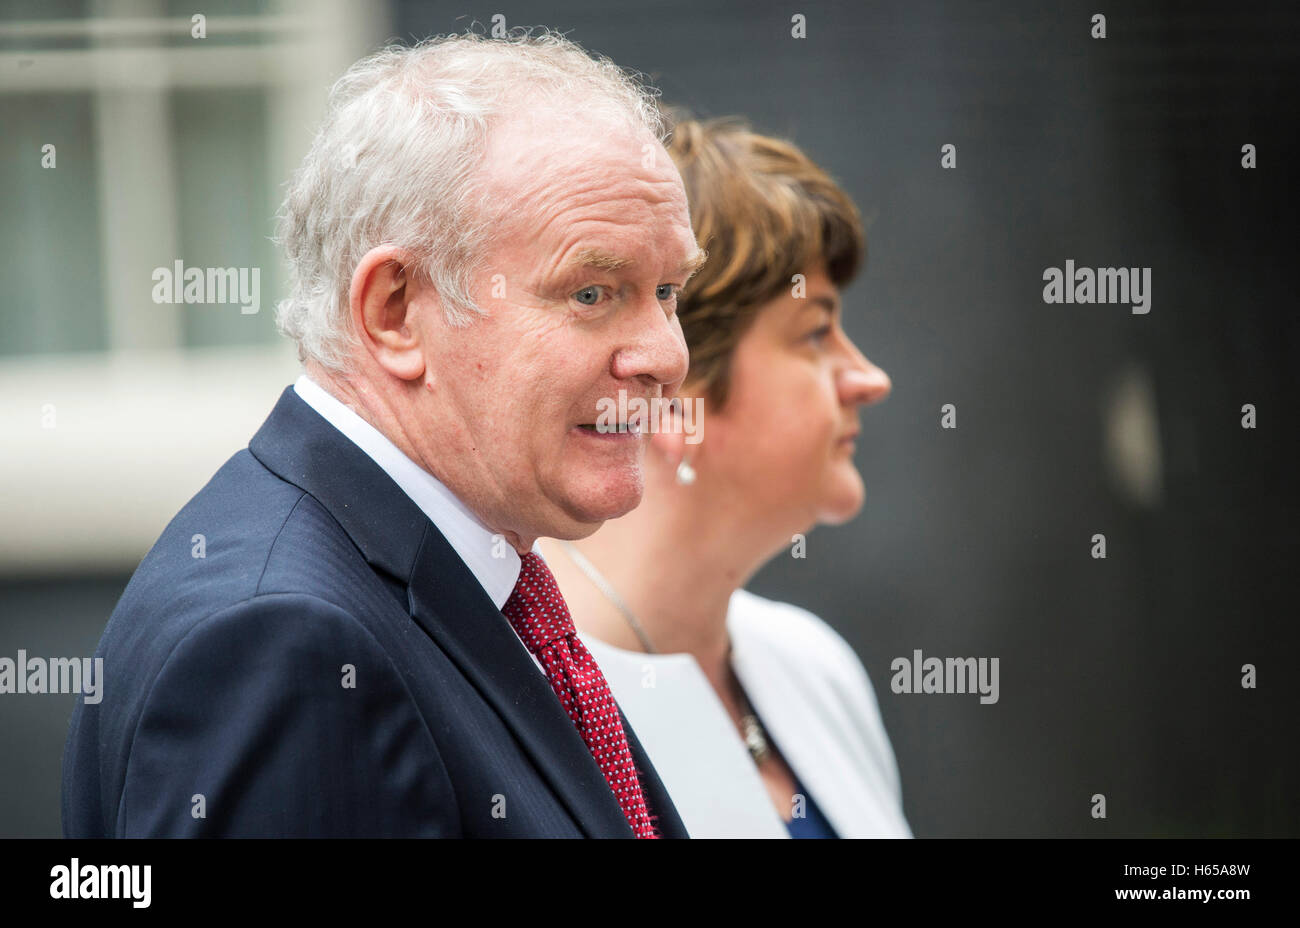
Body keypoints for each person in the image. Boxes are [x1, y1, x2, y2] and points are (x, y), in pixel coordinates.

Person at [61, 32, 706, 838]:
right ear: (393, 312)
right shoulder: (287, 644)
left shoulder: (458, 572)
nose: (665, 357)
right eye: (592, 292)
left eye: (669, 290)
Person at [538, 116, 911, 838]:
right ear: (677, 398)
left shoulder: (813, 663)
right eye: (814, 333)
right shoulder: (533, 700)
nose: (869, 378)